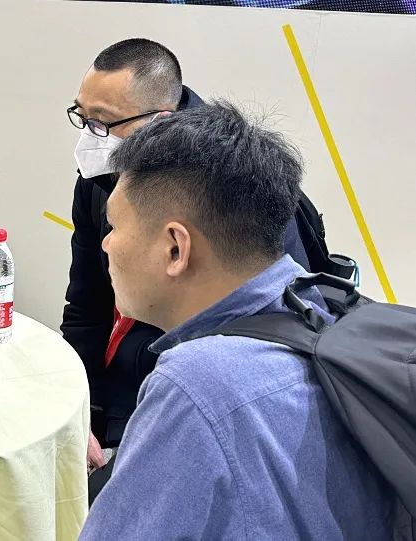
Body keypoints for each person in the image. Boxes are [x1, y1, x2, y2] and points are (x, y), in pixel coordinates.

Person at [78, 102, 392, 539]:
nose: (106, 244)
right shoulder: (327, 304)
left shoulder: (196, 386)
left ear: (175, 248)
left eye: (113, 226)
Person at [60, 38, 324, 480]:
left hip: (207, 401)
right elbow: (87, 303)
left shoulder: (237, 190)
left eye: (103, 122)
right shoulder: (99, 176)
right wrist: (78, 406)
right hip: (132, 391)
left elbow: (279, 328)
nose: (90, 137)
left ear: (176, 246)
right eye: (82, 117)